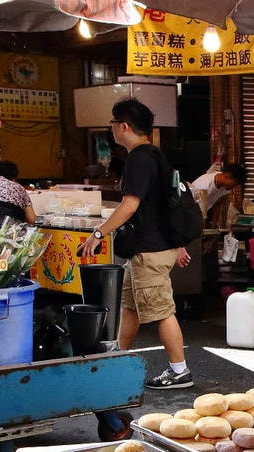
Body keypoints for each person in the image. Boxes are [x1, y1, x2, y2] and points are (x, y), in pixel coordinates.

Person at [81, 98, 193, 391]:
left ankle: (179, 371)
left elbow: (130, 205)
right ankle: (117, 358)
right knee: (129, 306)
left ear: (124, 126)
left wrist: (98, 233)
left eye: (113, 123)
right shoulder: (154, 156)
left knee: (161, 311)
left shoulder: (139, 159)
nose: (112, 129)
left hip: (150, 251)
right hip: (151, 247)